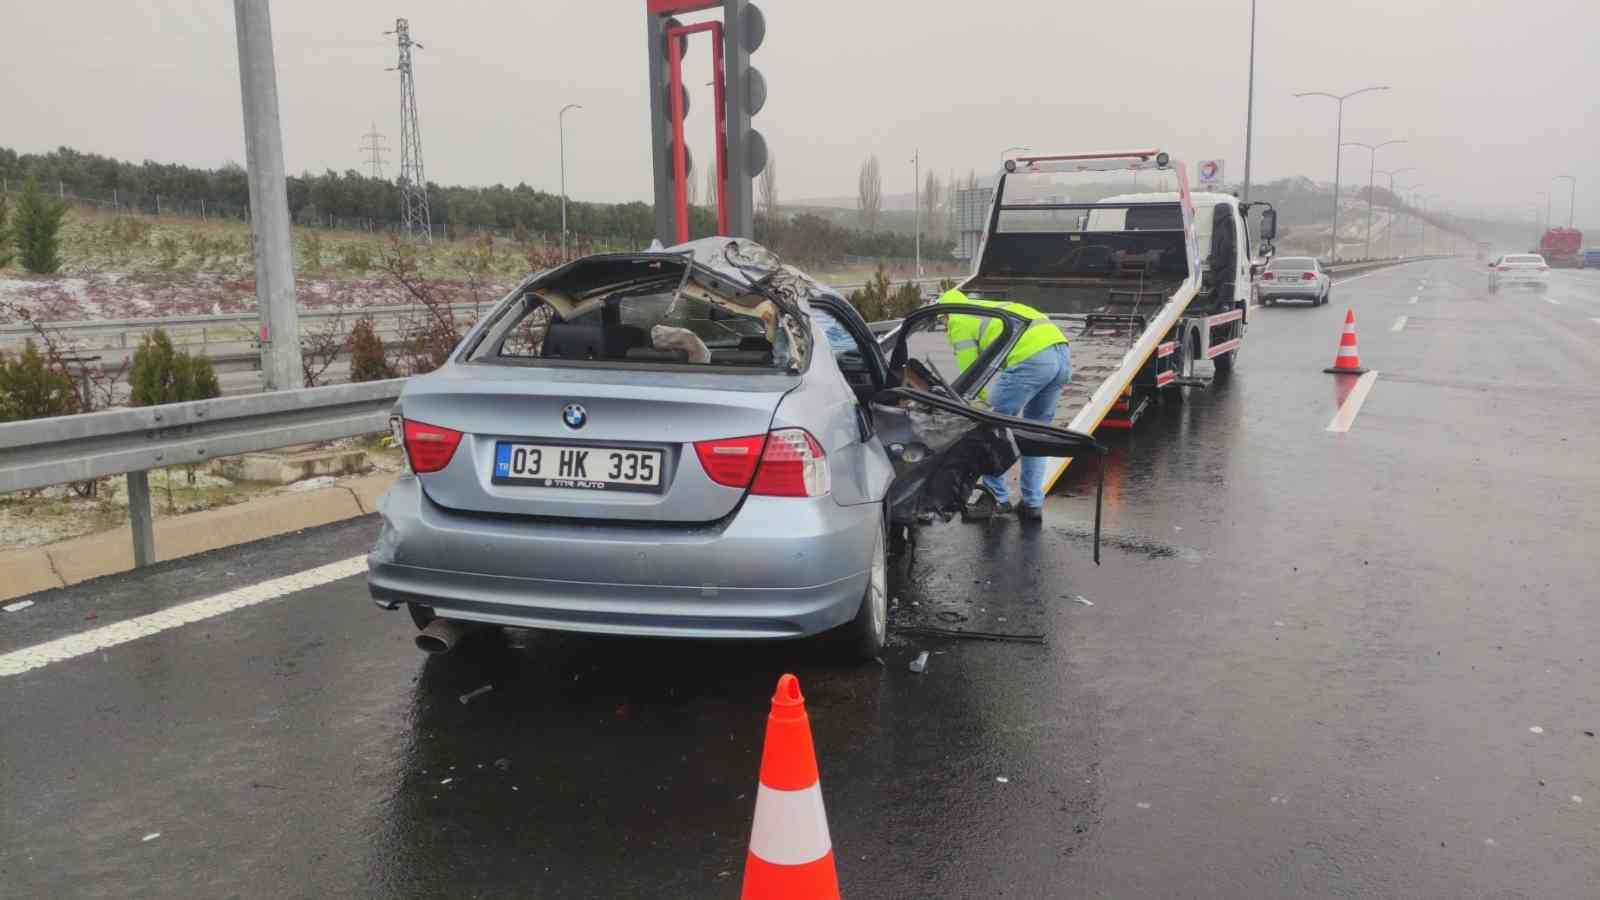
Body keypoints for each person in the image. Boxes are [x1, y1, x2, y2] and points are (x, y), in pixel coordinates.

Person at [938, 288, 1071, 522]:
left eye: (942, 319)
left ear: (946, 311)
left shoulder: (958, 318)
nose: (945, 324)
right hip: (1061, 355)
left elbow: (971, 376)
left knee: (989, 429)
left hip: (1033, 359)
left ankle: (996, 498)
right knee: (1036, 433)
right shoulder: (991, 309)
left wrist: (981, 405)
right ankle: (1032, 504)